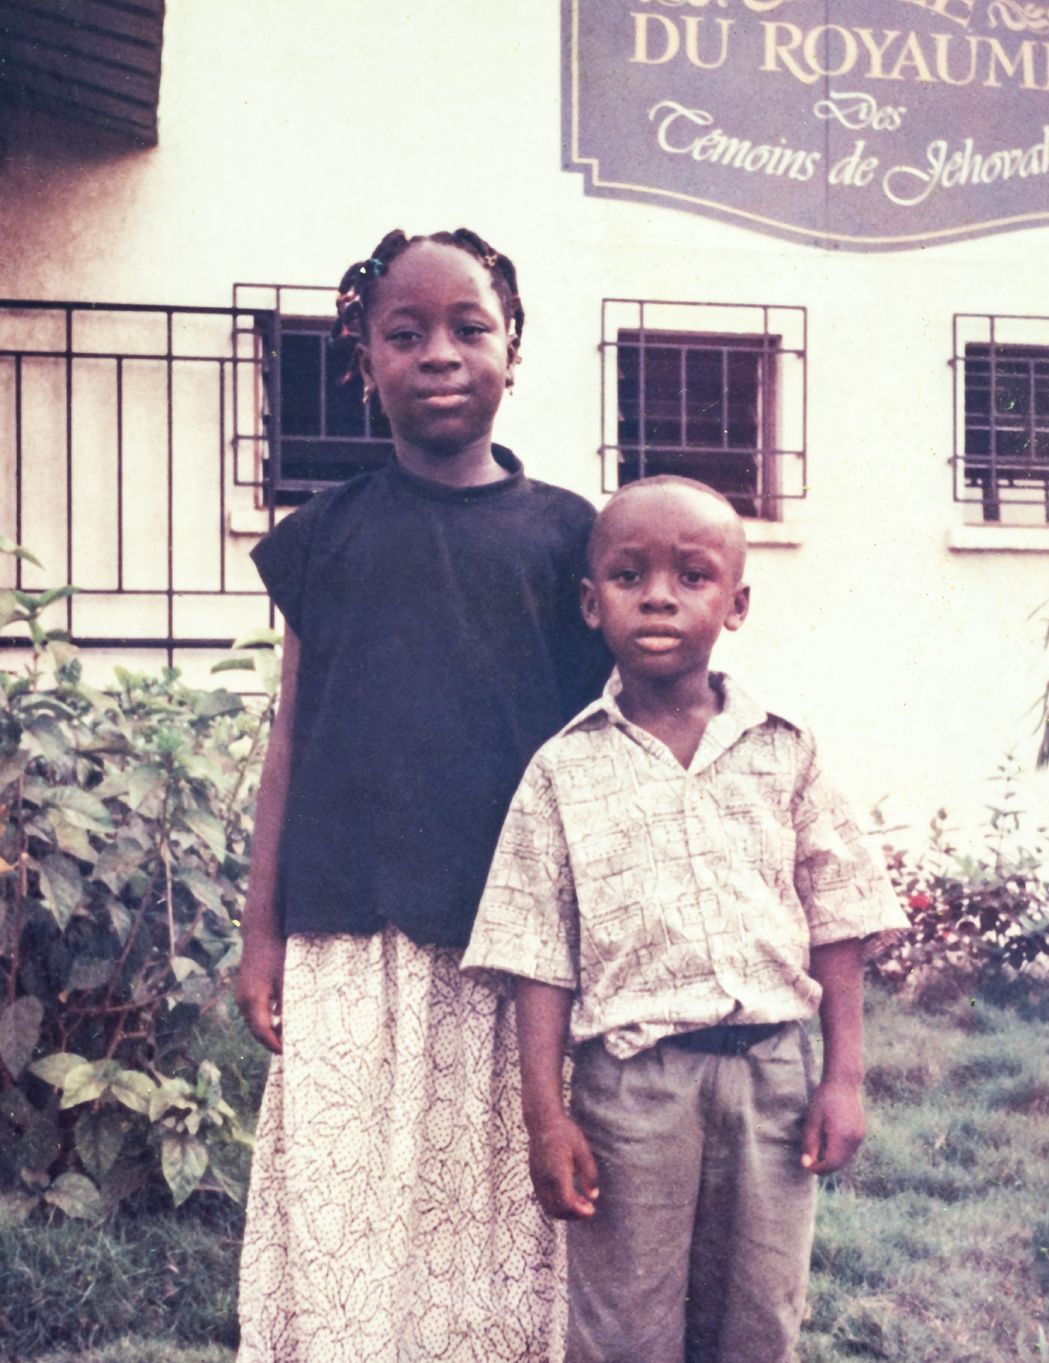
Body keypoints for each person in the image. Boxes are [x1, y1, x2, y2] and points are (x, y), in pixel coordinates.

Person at [235, 227, 609, 1363]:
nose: (439, 353)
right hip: (349, 937)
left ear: (513, 351)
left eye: (468, 327)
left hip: (513, 953)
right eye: (406, 333)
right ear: (365, 363)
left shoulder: (569, 540)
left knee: (497, 1215)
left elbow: (601, 747)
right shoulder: (325, 539)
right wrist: (260, 932)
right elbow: (292, 730)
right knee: (347, 1210)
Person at [462, 476, 908, 1363]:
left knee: (758, 1322)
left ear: (736, 604)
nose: (659, 595)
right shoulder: (563, 770)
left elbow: (840, 913)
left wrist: (844, 1076)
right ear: (592, 604)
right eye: (630, 576)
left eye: (691, 576)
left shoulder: (785, 748)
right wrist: (547, 1118)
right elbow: (535, 953)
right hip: (632, 1091)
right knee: (626, 1330)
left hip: (772, 1081)